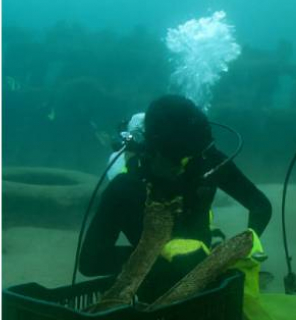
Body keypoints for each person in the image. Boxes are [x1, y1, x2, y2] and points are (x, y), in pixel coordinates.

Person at [79, 94, 272, 302]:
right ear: (152, 150)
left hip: (207, 280)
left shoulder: (207, 161)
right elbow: (90, 262)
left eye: (192, 156)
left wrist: (242, 249)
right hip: (151, 293)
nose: (185, 166)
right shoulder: (127, 187)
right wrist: (155, 256)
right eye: (178, 158)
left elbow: (260, 205)